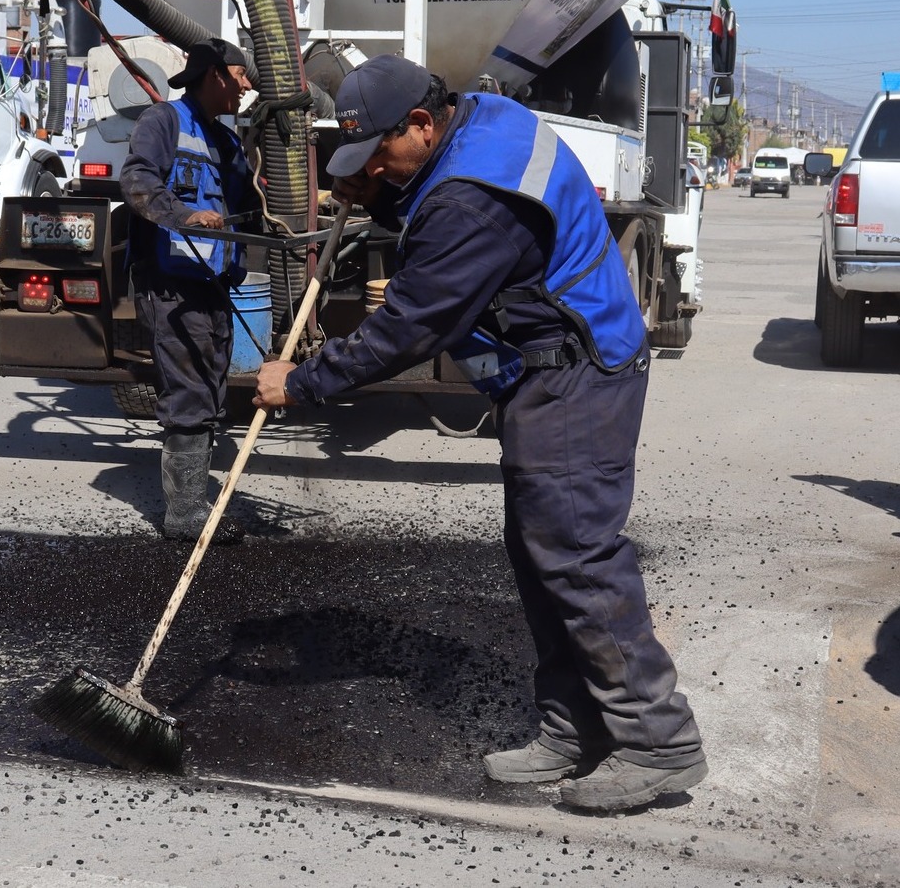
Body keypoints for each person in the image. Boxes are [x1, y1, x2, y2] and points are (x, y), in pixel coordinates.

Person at [253, 54, 706, 811]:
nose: (371, 169)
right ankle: (575, 724)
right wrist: (376, 192)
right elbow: (429, 198)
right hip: (550, 369)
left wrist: (299, 381)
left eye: (377, 155)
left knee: (574, 554)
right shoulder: (486, 121)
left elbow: (409, 326)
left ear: (422, 124)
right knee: (540, 553)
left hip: (575, 373)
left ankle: (657, 740)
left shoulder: (469, 203)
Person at [119, 37, 257, 545]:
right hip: (171, 282)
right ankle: (184, 514)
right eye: (243, 76)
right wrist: (185, 217)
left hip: (210, 283)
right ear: (217, 74)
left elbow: (246, 203)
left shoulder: (226, 140)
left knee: (211, 381)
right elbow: (136, 181)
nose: (247, 86)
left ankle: (193, 497)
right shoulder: (164, 122)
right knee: (191, 387)